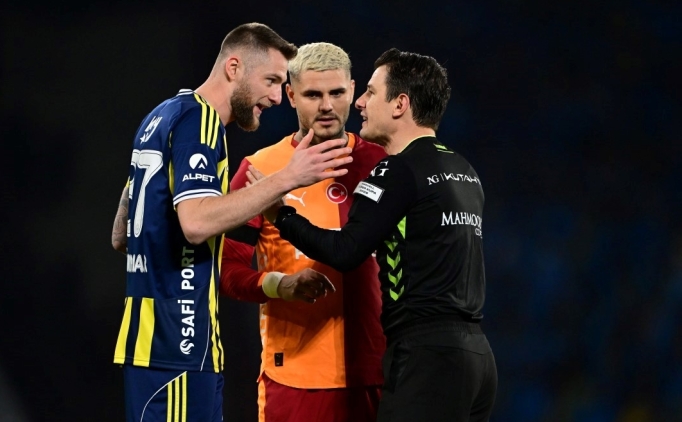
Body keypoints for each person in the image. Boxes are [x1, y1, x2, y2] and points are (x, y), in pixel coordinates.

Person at [110, 23, 351, 422]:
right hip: (180, 342)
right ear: (234, 67)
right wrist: (288, 178)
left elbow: (122, 234)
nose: (277, 97)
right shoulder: (200, 121)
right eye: (271, 81)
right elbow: (196, 223)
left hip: (148, 342)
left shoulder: (162, 115)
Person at [258, 48, 498, 422]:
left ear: (400, 104)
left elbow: (345, 250)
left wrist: (281, 216)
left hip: (426, 357)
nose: (361, 103)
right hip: (478, 358)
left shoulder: (396, 170)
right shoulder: (464, 170)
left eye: (371, 92)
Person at [220, 42, 387, 422]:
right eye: (313, 95)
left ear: (353, 91)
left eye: (337, 93)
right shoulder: (261, 169)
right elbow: (224, 267)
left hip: (380, 374)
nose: (327, 106)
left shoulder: (383, 163)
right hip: (294, 379)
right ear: (291, 95)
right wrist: (279, 285)